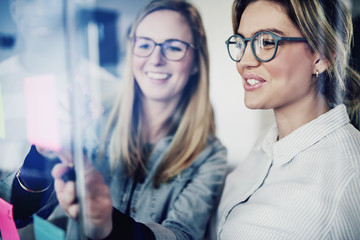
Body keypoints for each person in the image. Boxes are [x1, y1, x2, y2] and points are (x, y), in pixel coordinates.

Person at [15, 0, 227, 239]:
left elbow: (182, 235)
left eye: (174, 47)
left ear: (197, 62)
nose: (156, 59)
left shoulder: (210, 156)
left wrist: (109, 223)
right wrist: (46, 150)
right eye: (145, 44)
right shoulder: (94, 120)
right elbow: (22, 211)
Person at [217, 0, 360, 239]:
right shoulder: (265, 145)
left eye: (267, 42)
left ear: (321, 57)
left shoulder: (348, 177)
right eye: (242, 42)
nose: (244, 62)